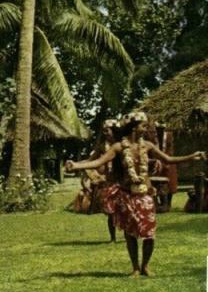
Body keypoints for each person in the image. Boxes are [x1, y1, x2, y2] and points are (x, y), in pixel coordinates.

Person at [66, 112, 206, 277]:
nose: (146, 129)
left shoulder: (147, 146)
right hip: (127, 195)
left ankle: (145, 265)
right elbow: (99, 162)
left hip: (145, 195)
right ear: (134, 128)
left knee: (150, 234)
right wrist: (76, 165)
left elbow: (169, 159)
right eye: (143, 126)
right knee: (130, 233)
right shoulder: (118, 147)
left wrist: (192, 156)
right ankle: (135, 268)